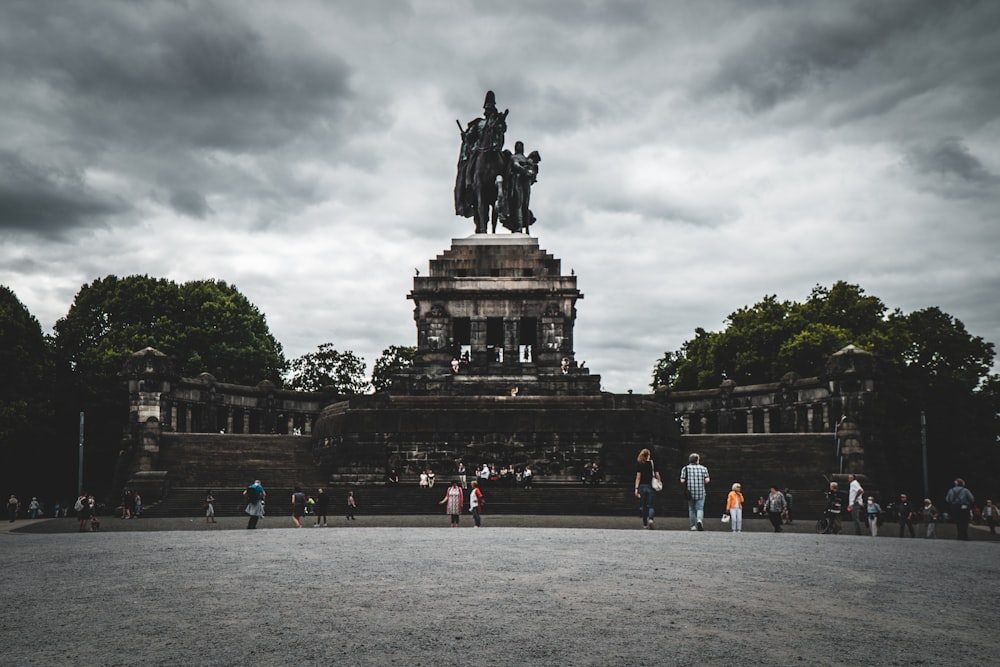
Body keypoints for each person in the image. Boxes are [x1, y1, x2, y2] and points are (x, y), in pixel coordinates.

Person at [680, 453, 710, 531]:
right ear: (697, 460)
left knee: (692, 509)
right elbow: (707, 480)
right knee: (700, 508)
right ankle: (699, 520)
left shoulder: (685, 468)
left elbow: (682, 480)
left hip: (690, 492)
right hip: (700, 492)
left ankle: (693, 526)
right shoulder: (703, 468)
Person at [634, 448, 661, 530]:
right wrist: (659, 482)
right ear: (648, 455)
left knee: (643, 506)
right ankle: (651, 520)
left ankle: (645, 524)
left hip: (642, 486)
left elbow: (638, 477)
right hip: (651, 486)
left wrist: (636, 488)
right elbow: (657, 475)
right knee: (651, 505)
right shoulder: (652, 463)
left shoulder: (640, 463)